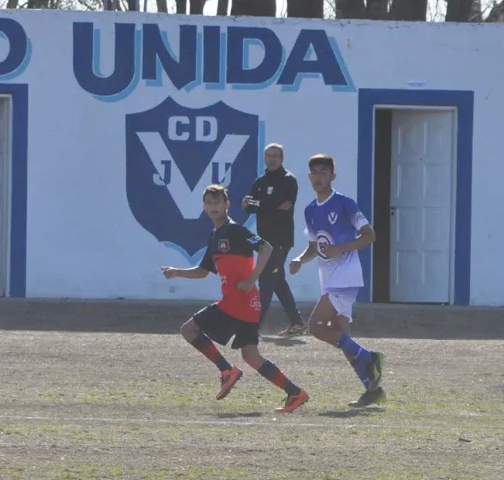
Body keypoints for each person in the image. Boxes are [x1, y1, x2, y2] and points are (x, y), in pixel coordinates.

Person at [162, 184, 309, 413]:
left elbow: (266, 247)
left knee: (189, 330)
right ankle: (295, 393)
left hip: (237, 302)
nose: (213, 207)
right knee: (251, 356)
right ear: (204, 207)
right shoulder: (215, 235)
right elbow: (202, 271)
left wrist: (252, 279)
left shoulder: (235, 230)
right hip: (249, 304)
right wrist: (176, 272)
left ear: (227, 205)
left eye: (217, 202)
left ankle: (226, 370)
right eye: (209, 203)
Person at [289, 154, 387, 408]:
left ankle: (370, 357)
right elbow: (314, 246)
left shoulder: (345, 203)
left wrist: (341, 248)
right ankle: (372, 388)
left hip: (346, 277)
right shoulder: (310, 210)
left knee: (316, 327)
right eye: (314, 172)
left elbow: (369, 235)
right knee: (341, 335)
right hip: (328, 278)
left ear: (333, 176)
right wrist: (300, 259)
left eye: (324, 172)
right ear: (309, 177)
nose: (318, 176)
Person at [242, 143, 306, 336]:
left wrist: (259, 204)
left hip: (280, 240)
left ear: (282, 158)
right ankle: (297, 323)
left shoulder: (288, 180)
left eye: (275, 156)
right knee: (277, 281)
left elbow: (284, 204)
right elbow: (246, 205)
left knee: (266, 279)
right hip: (264, 240)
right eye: (268, 155)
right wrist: (268, 204)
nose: (271, 159)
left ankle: (253, 326)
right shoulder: (260, 181)